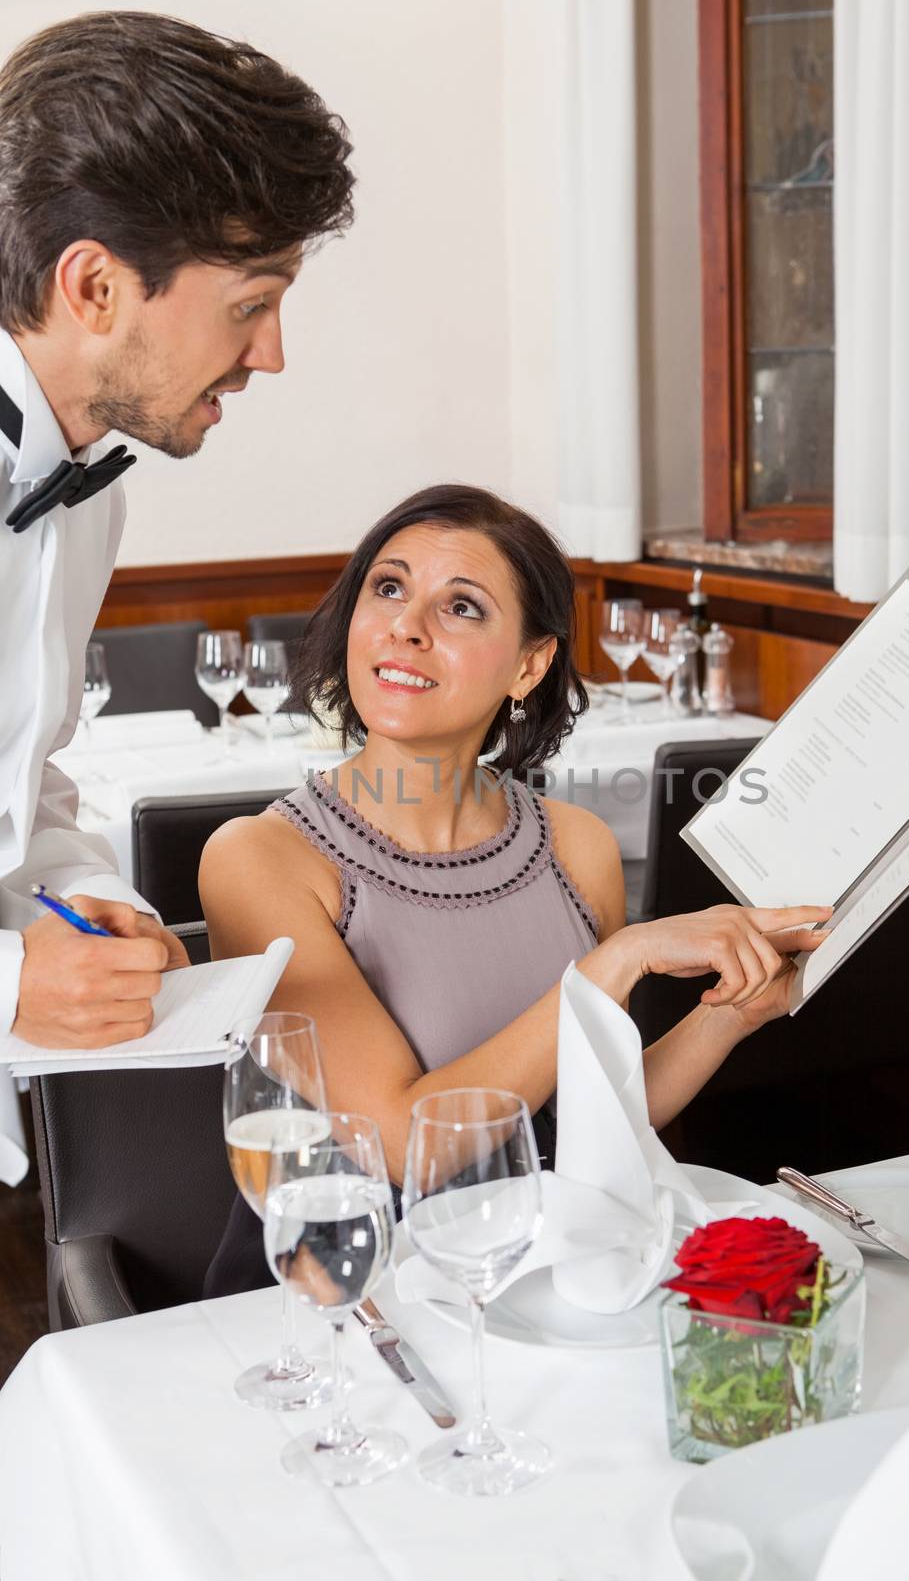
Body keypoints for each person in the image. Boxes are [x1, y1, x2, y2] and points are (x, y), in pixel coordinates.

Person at [200, 484, 830, 1292]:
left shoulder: (577, 845)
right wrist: (616, 964)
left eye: (460, 607)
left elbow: (596, 1114)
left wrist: (734, 1014)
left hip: (534, 1270)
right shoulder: (262, 857)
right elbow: (396, 1143)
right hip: (348, 1295)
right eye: (387, 588)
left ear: (529, 664)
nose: (405, 625)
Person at [0, 11, 354, 1179]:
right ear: (94, 286)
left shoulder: (87, 487)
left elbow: (24, 770)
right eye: (250, 303)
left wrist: (87, 896)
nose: (272, 354)